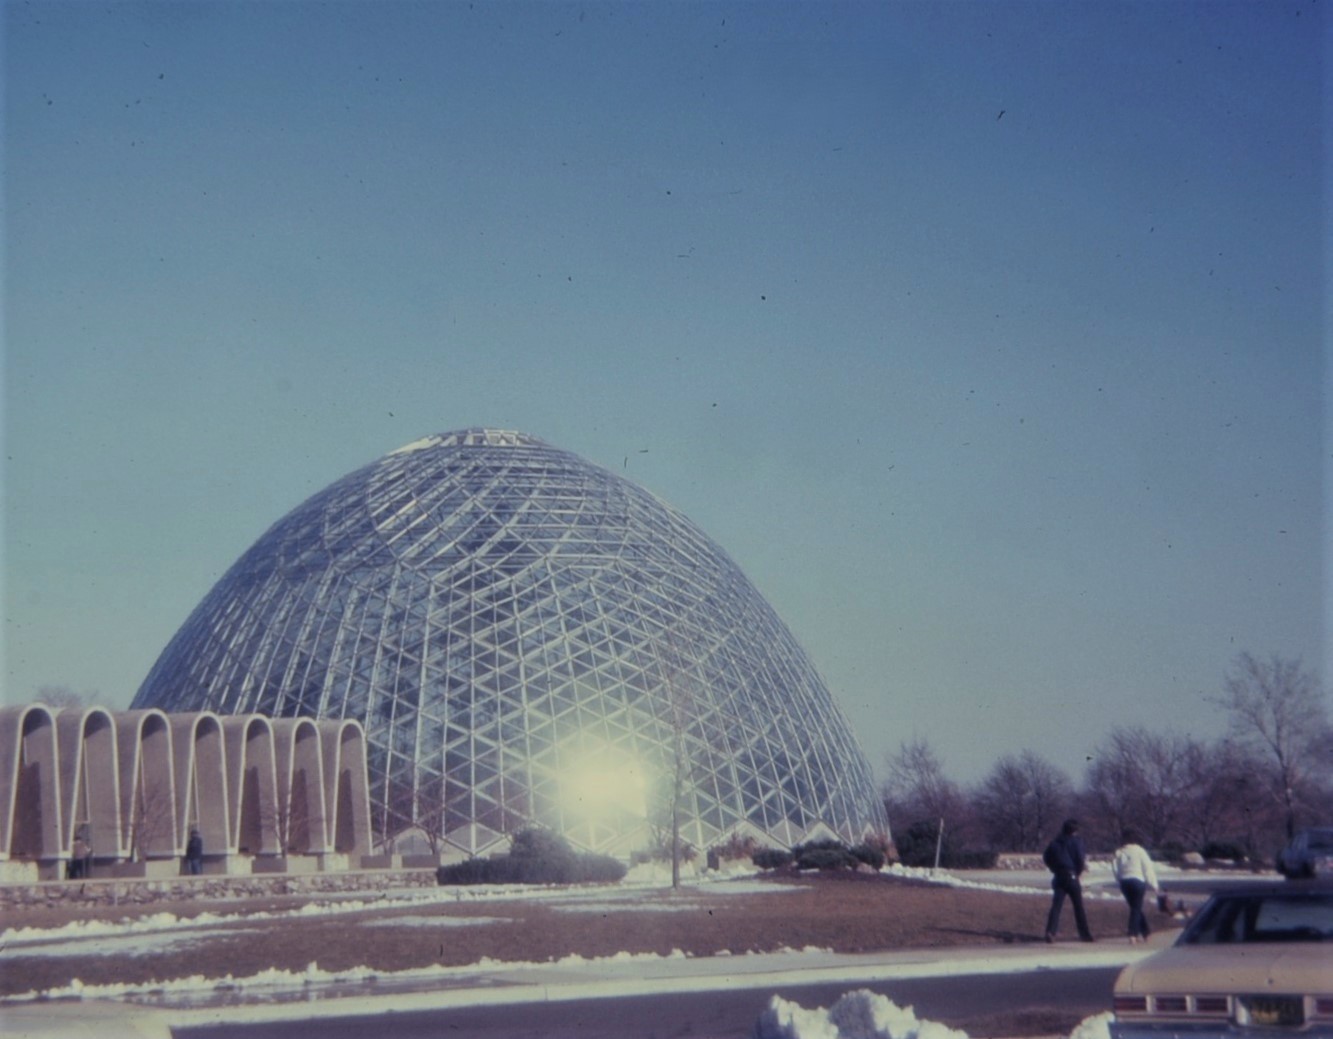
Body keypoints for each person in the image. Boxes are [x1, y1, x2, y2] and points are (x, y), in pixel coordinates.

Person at [1043, 818, 1094, 943]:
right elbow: (1080, 859)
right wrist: (1078, 872)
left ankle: (1051, 931)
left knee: (1056, 906)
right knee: (1078, 906)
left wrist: (1054, 868)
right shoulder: (1076, 842)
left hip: (1059, 875)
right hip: (1071, 875)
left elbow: (1046, 857)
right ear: (1075, 831)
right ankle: (1084, 934)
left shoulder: (1055, 842)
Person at [1113, 828, 1160, 943]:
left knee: (1135, 907)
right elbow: (1147, 868)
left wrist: (1119, 879)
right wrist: (1154, 884)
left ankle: (1145, 932)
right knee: (1136, 908)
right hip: (1137, 881)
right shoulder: (1140, 851)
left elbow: (1115, 868)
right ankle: (1132, 934)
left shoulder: (1119, 852)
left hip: (1125, 882)